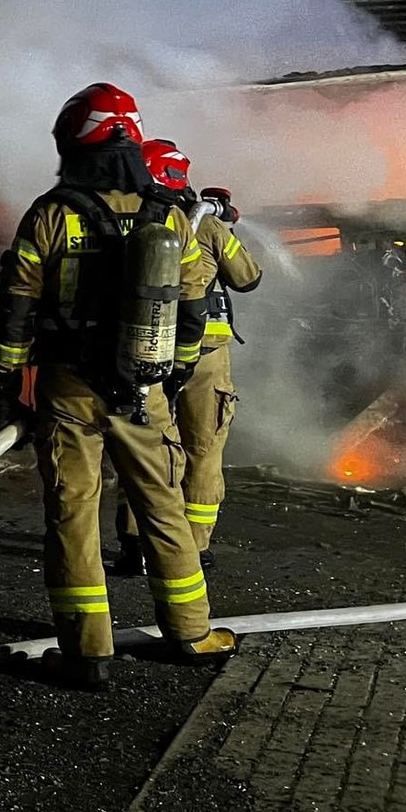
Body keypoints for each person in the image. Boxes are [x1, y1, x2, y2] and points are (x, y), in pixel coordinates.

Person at [0, 84, 237, 689]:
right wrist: (166, 378)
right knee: (164, 506)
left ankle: (86, 652)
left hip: (69, 389)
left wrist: (2, 386)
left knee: (74, 513)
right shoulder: (170, 213)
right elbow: (194, 308)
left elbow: (16, 312)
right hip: (144, 390)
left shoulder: (50, 214)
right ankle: (192, 634)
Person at [116, 141, 263, 575]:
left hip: (144, 352)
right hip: (204, 359)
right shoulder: (205, 226)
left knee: (145, 446)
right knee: (202, 448)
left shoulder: (128, 219)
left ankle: (135, 544)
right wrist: (225, 231)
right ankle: (193, 551)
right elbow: (248, 278)